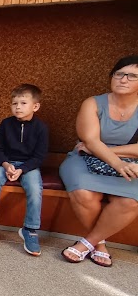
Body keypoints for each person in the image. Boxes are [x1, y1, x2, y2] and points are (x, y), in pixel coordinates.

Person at [59, 55, 138, 267]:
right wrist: (117, 162)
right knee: (84, 194)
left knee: (130, 201)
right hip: (84, 158)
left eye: (132, 76)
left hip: (129, 163)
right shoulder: (93, 103)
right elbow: (91, 141)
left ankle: (86, 243)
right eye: (119, 74)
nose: (123, 79)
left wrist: (114, 154)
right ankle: (99, 245)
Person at [0, 84, 48, 256]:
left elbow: (39, 156)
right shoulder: (6, 124)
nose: (18, 107)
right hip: (6, 163)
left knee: (35, 187)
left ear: (35, 106)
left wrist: (22, 169)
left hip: (29, 165)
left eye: (23, 103)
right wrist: (6, 165)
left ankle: (30, 229)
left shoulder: (41, 128)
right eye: (14, 103)